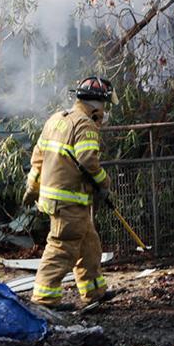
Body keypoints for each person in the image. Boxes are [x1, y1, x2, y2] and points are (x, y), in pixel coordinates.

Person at [25, 76, 116, 309]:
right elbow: (88, 161)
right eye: (105, 106)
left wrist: (32, 188)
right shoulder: (85, 125)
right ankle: (44, 299)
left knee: (89, 244)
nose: (105, 112)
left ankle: (94, 292)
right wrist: (104, 184)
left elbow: (38, 159)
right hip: (69, 201)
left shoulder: (56, 120)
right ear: (96, 105)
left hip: (58, 199)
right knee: (61, 247)